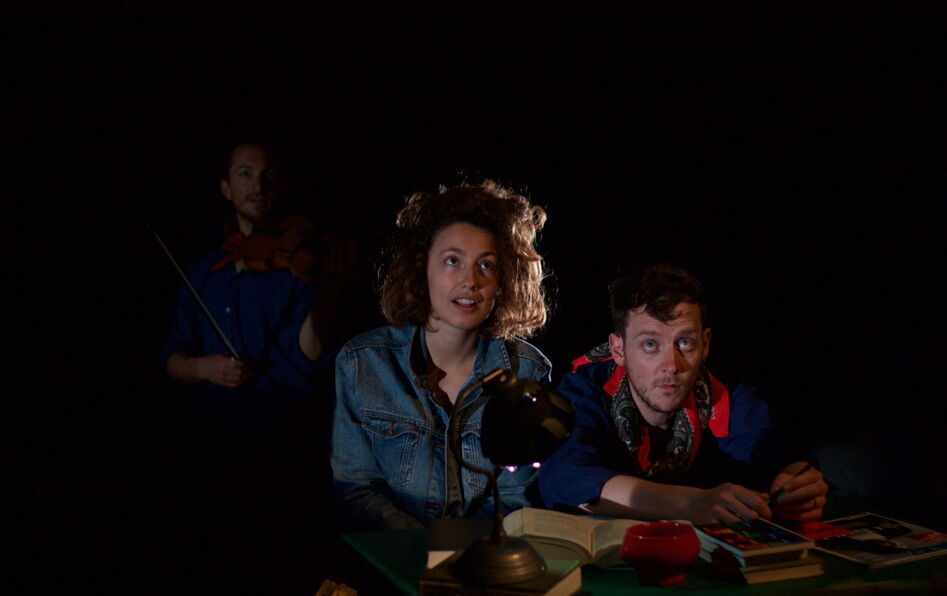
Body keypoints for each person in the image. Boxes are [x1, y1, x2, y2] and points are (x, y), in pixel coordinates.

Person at [331, 180, 551, 530]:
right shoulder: (363, 362)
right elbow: (356, 489)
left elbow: (515, 498)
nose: (471, 280)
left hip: (482, 555)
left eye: (487, 265)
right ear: (422, 269)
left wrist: (455, 549)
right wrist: (422, 548)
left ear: (504, 280)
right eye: (452, 261)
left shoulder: (527, 370)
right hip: (392, 554)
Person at [539, 264, 828, 524]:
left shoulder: (721, 391)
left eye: (686, 343)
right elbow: (563, 479)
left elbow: (777, 451)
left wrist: (796, 484)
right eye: (650, 345)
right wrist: (688, 503)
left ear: (705, 343)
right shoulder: (585, 388)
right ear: (619, 349)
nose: (672, 365)